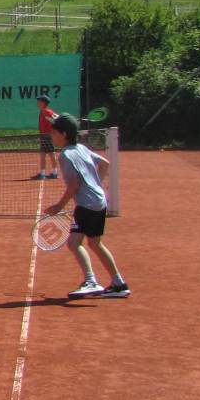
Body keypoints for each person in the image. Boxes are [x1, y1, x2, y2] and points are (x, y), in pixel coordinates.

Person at [44, 112, 129, 299]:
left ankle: (91, 281)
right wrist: (95, 185)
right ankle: (119, 284)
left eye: (54, 132)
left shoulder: (65, 155)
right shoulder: (82, 148)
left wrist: (59, 206)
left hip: (86, 205)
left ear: (64, 134)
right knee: (95, 243)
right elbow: (105, 164)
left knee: (74, 243)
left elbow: (73, 185)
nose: (51, 135)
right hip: (99, 201)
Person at [33, 94, 59, 180]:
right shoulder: (45, 111)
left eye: (39, 101)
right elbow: (55, 120)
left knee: (47, 154)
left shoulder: (46, 111)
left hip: (47, 136)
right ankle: (48, 173)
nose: (37, 102)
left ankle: (49, 173)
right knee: (47, 154)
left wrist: (52, 129)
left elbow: (55, 120)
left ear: (43, 102)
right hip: (45, 135)